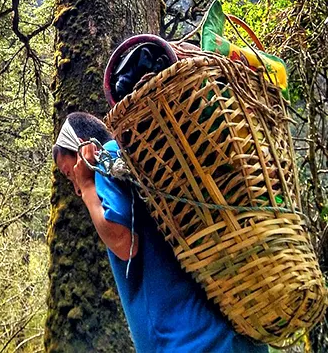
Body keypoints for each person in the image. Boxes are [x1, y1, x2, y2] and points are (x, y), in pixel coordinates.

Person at [53, 111, 268, 353]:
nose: (75, 188)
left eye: (69, 173)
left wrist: (88, 186)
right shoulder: (135, 160)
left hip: (186, 340)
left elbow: (125, 244)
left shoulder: (107, 157)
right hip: (235, 334)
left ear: (82, 149)